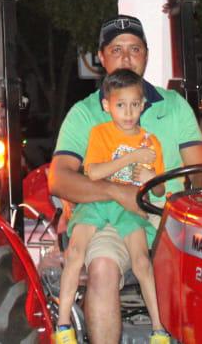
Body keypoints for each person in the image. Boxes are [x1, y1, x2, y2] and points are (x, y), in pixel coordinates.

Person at [49, 15, 202, 344]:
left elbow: (201, 173)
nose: (126, 57)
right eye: (116, 49)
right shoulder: (85, 113)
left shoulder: (174, 106)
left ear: (146, 55)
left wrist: (161, 186)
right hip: (114, 218)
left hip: (172, 218)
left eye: (134, 49)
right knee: (103, 265)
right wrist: (116, 191)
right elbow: (60, 178)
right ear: (102, 57)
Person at [55, 69, 171, 344]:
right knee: (75, 253)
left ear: (143, 104)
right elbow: (94, 172)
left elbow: (160, 188)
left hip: (127, 208)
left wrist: (151, 179)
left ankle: (158, 329)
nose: (129, 112)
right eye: (121, 105)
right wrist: (131, 157)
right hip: (97, 203)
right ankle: (62, 325)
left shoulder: (150, 141)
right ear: (108, 106)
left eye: (134, 104)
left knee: (142, 261)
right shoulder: (100, 133)